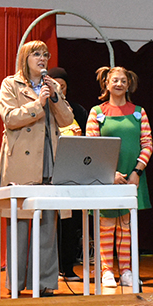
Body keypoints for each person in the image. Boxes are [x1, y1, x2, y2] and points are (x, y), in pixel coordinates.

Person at [0, 41, 74, 297]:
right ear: (25, 57)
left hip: (50, 161)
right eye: (37, 54)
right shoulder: (11, 84)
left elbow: (67, 119)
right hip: (22, 163)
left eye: (45, 54)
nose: (42, 58)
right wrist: (37, 104)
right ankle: (16, 284)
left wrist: (54, 97)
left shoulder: (52, 86)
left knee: (48, 227)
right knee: (19, 226)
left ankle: (44, 283)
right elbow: (9, 118)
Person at [85, 66, 152, 292]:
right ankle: (106, 271)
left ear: (128, 84)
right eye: (115, 80)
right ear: (106, 83)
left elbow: (147, 144)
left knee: (125, 225)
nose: (119, 84)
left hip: (131, 177)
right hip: (106, 179)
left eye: (123, 80)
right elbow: (92, 145)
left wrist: (137, 172)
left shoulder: (139, 112)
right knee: (106, 224)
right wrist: (109, 173)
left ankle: (126, 271)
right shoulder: (97, 112)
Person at [47, 66, 86, 282]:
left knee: (70, 223)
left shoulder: (77, 111)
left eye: (63, 86)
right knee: (47, 223)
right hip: (48, 172)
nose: (60, 89)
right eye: (56, 85)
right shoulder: (44, 109)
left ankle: (67, 266)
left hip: (72, 173)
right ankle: (47, 269)